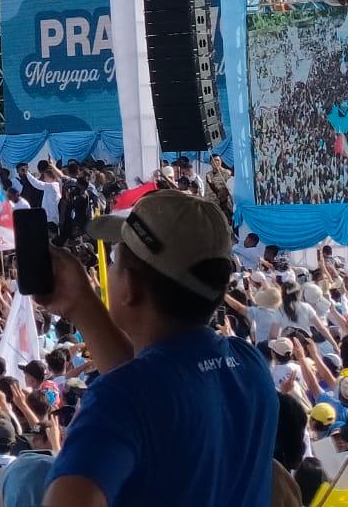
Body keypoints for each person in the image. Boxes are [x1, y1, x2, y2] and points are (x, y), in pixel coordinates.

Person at [39, 190, 278, 505]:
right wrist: (81, 304)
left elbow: (140, 394)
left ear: (132, 287)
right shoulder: (249, 365)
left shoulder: (120, 398)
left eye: (113, 259)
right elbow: (152, 390)